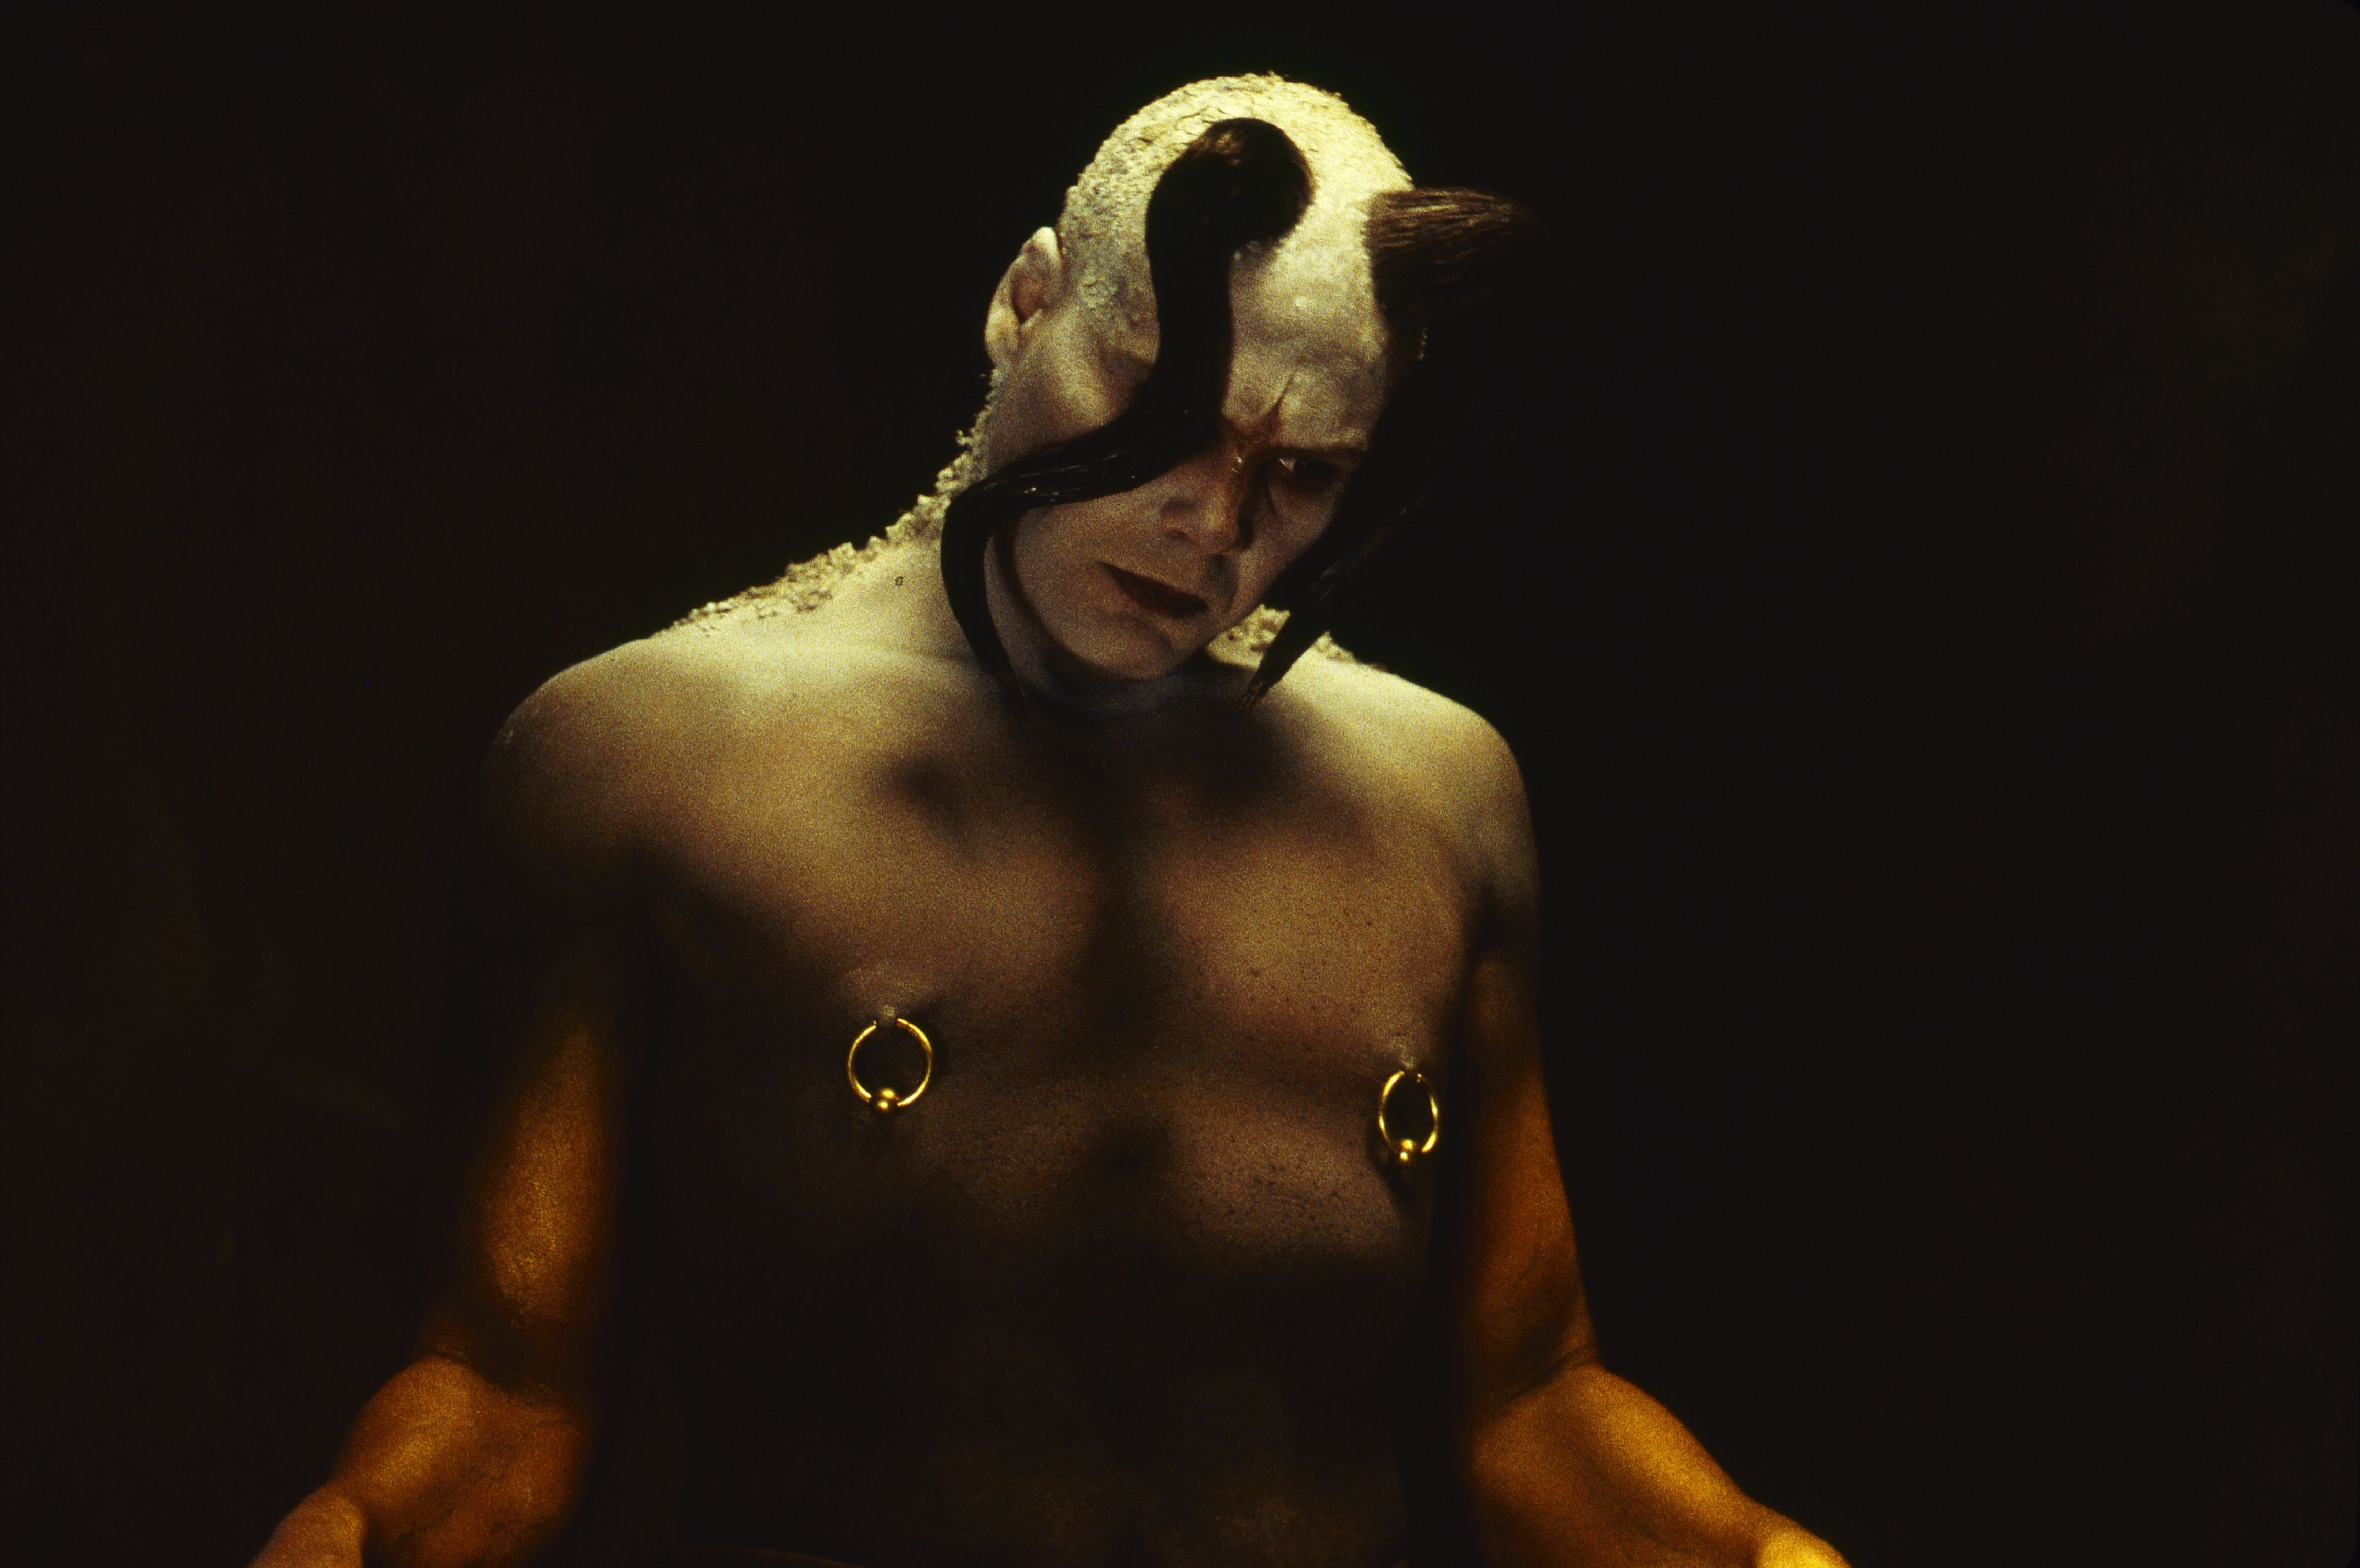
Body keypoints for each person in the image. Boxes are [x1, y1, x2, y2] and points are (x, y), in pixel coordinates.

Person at [253, 75, 1849, 1568]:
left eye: (1299, 472)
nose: (1209, 521)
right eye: (1157, 404)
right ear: (1027, 302)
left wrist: (1754, 1551)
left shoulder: (1437, 792)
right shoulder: (652, 756)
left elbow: (1526, 1394)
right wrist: (358, 1533)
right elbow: (510, 1387)